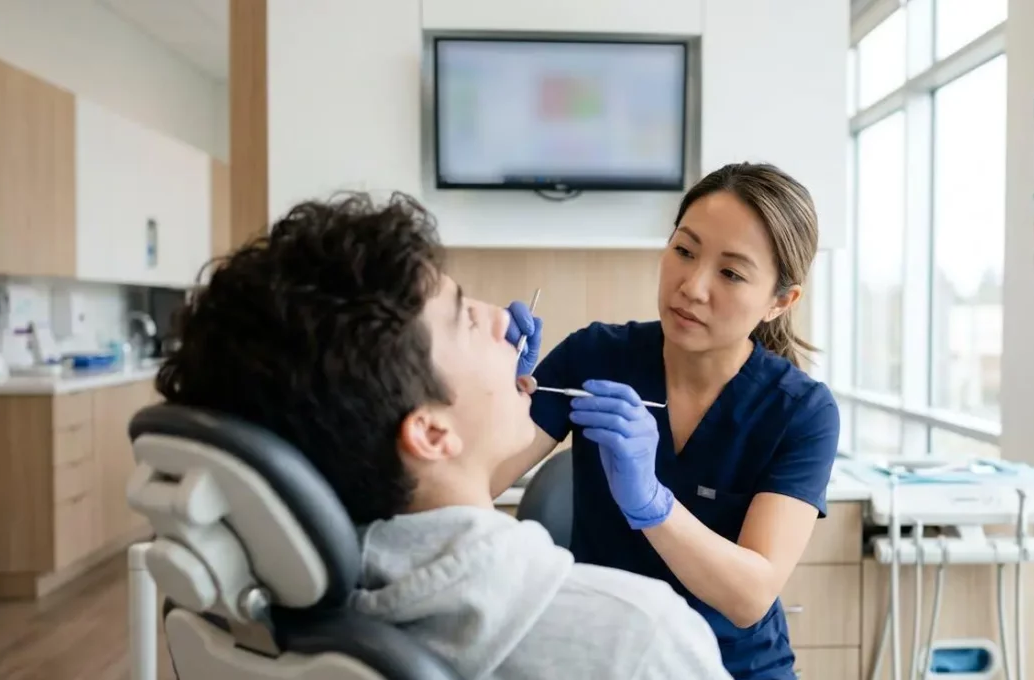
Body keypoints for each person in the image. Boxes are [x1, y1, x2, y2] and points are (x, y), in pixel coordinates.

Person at [154, 192, 733, 680]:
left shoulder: (255, 614)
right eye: (466, 318)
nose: (507, 322)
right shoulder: (638, 639)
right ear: (431, 432)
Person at [495, 162, 842, 680]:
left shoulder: (799, 411)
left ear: (780, 301)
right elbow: (477, 479)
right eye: (684, 250)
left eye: (730, 273)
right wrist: (486, 389)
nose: (692, 286)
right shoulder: (594, 356)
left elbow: (749, 596)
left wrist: (652, 505)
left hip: (734, 668)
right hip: (603, 659)